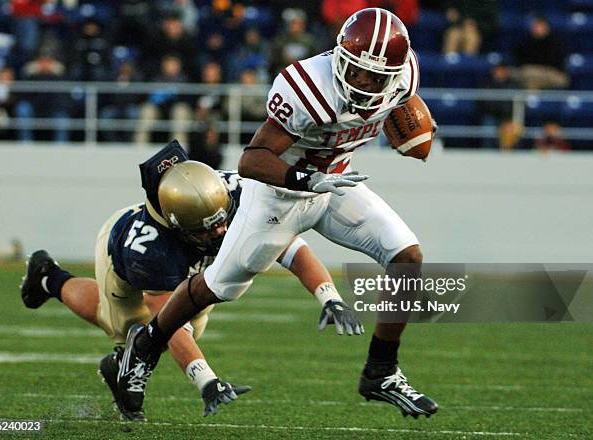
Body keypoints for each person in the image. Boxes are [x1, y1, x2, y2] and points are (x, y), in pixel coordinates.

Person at [116, 8, 439, 420]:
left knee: (407, 258)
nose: (361, 82)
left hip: (337, 182)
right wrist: (303, 180)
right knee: (217, 286)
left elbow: (403, 104)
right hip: (277, 193)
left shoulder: (404, 76)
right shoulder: (308, 87)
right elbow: (252, 159)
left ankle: (381, 372)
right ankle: (145, 347)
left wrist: (413, 129)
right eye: (355, 71)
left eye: (373, 77)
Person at [20, 142, 362, 421]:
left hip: (183, 258)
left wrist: (328, 296)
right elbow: (166, 321)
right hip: (121, 257)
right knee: (128, 327)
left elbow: (289, 246)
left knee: (191, 327)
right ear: (177, 224)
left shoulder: (238, 195)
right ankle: (50, 278)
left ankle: (115, 358)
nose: (221, 231)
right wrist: (206, 381)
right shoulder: (151, 248)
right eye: (207, 228)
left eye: (222, 219)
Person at [511, 16, 569, 90]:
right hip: (530, 72)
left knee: (562, 80)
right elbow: (519, 60)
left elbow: (558, 62)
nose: (539, 29)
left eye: (541, 26)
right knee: (528, 75)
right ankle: (533, 99)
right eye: (537, 26)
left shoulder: (556, 43)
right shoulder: (525, 43)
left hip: (550, 73)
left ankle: (534, 98)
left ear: (547, 28)